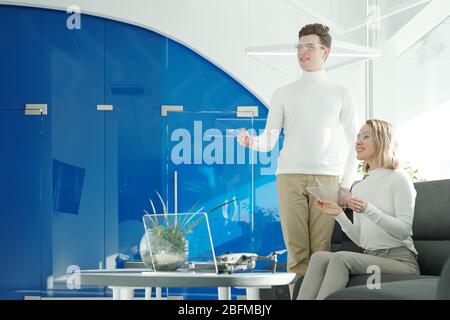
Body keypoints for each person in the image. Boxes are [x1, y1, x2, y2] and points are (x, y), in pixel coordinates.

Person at [238, 23, 358, 285]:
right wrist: (251, 142)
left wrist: (345, 185)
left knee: (321, 254)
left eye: (310, 47)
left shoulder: (341, 92)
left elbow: (354, 142)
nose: (303, 52)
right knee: (297, 255)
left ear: (325, 52)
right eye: (299, 47)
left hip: (326, 179)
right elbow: (269, 140)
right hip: (289, 177)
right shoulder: (283, 93)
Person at [297, 119, 420, 300]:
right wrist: (339, 214)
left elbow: (403, 231)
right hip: (371, 255)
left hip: (400, 260)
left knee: (340, 259)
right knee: (318, 258)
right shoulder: (359, 187)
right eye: (357, 137)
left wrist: (369, 209)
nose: (358, 142)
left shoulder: (399, 179)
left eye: (366, 136)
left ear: (382, 140)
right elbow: (362, 240)